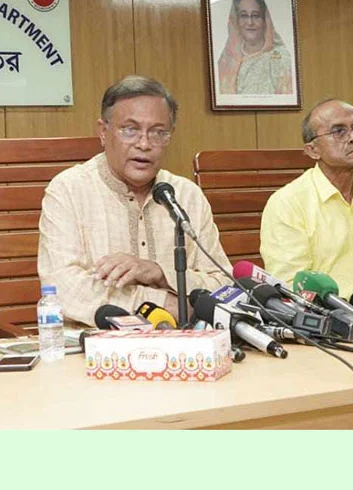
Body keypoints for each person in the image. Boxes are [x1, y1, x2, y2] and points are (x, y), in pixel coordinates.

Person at [37, 76, 231, 326]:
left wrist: (159, 273)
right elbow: (63, 289)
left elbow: (224, 285)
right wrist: (163, 303)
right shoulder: (68, 191)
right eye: (130, 129)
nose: (144, 144)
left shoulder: (186, 196)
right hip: (96, 344)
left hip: (186, 343)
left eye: (158, 132)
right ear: (103, 132)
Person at [259, 99, 353, 298]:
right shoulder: (287, 203)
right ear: (313, 150)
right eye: (339, 131)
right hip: (328, 314)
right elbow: (292, 287)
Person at [216, 0, 294, 96]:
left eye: (256, 16)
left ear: (265, 20)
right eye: (244, 15)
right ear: (236, 21)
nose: (250, 22)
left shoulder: (280, 58)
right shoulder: (226, 60)